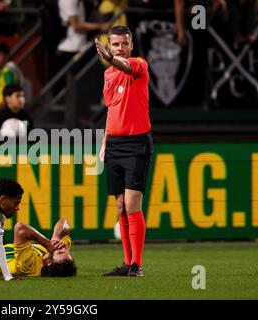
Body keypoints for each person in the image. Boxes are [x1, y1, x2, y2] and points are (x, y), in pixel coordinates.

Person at [95, 25, 153, 277]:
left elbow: (127, 66)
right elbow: (112, 110)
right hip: (115, 145)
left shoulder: (139, 64)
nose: (120, 48)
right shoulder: (108, 74)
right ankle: (127, 263)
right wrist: (105, 143)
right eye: (115, 44)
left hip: (137, 143)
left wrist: (111, 59)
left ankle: (137, 264)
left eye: (124, 43)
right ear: (109, 45)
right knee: (120, 206)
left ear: (131, 45)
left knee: (131, 204)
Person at [0, 41, 24, 116]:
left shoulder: (8, 71)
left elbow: (11, 95)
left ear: (7, 56)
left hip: (8, 114)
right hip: (3, 112)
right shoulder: (1, 71)